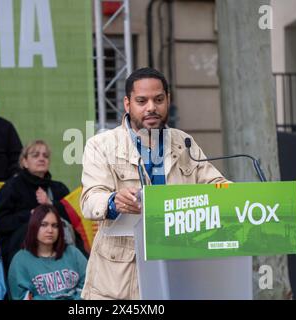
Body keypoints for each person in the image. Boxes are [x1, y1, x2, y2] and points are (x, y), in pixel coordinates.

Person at [80, 67, 229, 300]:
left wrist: (239, 198)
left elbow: (216, 184)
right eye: (142, 101)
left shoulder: (184, 142)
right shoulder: (101, 145)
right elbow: (90, 200)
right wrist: (113, 201)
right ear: (127, 104)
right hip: (117, 281)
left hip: (177, 266)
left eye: (158, 99)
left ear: (168, 100)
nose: (151, 107)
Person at [0, 140, 87, 275]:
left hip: (61, 257)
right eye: (35, 155)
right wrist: (30, 215)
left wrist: (51, 204)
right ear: (24, 162)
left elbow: (74, 222)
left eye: (45, 156)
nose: (42, 158)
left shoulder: (59, 188)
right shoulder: (11, 188)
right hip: (23, 257)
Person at [8, 204, 87, 300]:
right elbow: (21, 297)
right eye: (44, 225)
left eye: (54, 226)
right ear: (34, 227)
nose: (50, 230)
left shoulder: (73, 253)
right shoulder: (20, 261)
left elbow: (89, 284)